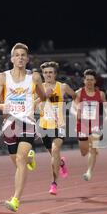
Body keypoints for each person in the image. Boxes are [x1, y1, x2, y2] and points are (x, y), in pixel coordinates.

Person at [0, 43, 47, 212]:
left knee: (20, 160)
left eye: (23, 55)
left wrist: (36, 102)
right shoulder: (2, 77)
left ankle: (15, 199)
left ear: (27, 59)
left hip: (27, 123)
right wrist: (3, 107)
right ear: (12, 59)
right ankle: (30, 159)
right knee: (18, 162)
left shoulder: (35, 77)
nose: (20, 57)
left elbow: (43, 96)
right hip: (9, 124)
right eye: (17, 55)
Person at [36, 61, 76, 196]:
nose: (48, 75)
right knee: (54, 155)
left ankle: (54, 183)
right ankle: (61, 162)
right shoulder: (38, 87)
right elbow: (33, 105)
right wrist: (43, 96)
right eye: (45, 72)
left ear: (55, 74)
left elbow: (75, 96)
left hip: (59, 125)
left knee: (55, 150)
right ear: (42, 74)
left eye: (50, 72)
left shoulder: (62, 87)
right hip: (44, 126)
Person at [73, 69, 107, 181]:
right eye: (87, 79)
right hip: (82, 124)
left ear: (95, 81)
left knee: (93, 147)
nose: (89, 82)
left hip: (94, 124)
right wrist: (76, 114)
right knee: (84, 151)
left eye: (91, 80)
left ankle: (88, 172)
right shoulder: (79, 93)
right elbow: (73, 108)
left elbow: (106, 107)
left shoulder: (100, 94)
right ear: (84, 81)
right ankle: (91, 148)